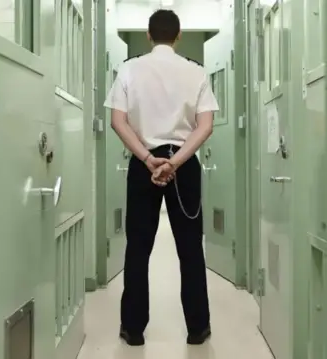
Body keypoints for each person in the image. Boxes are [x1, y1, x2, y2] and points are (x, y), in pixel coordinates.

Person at [103, 9, 219, 347]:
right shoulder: (196, 73)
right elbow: (206, 125)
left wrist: (149, 159)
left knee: (138, 248)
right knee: (190, 249)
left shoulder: (128, 70)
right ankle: (198, 328)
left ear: (149, 36)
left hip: (144, 164)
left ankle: (133, 328)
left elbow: (118, 121)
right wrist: (176, 162)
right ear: (179, 35)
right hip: (184, 167)